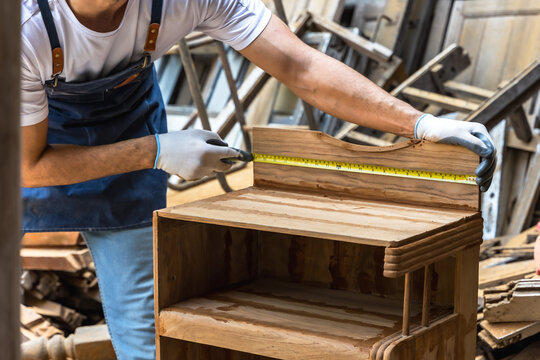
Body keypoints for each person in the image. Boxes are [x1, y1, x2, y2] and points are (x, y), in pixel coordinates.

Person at [20, 0, 496, 358]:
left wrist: (420, 125)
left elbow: (302, 66)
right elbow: (29, 165)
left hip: (124, 121)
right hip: (18, 144)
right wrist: (158, 150)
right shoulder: (21, 28)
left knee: (148, 336)